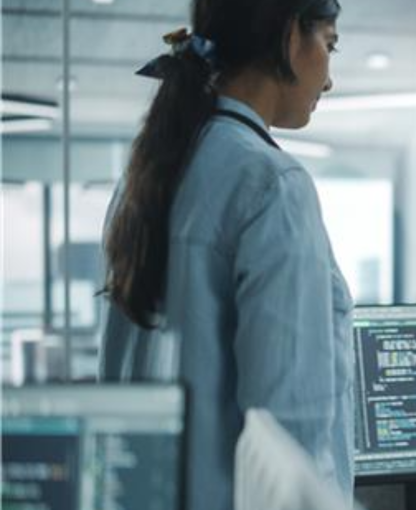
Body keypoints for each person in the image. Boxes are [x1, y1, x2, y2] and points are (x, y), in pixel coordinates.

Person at [99, 2, 353, 510]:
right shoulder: (273, 185)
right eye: (329, 43)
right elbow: (287, 447)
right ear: (290, 37)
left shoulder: (146, 174)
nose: (329, 79)